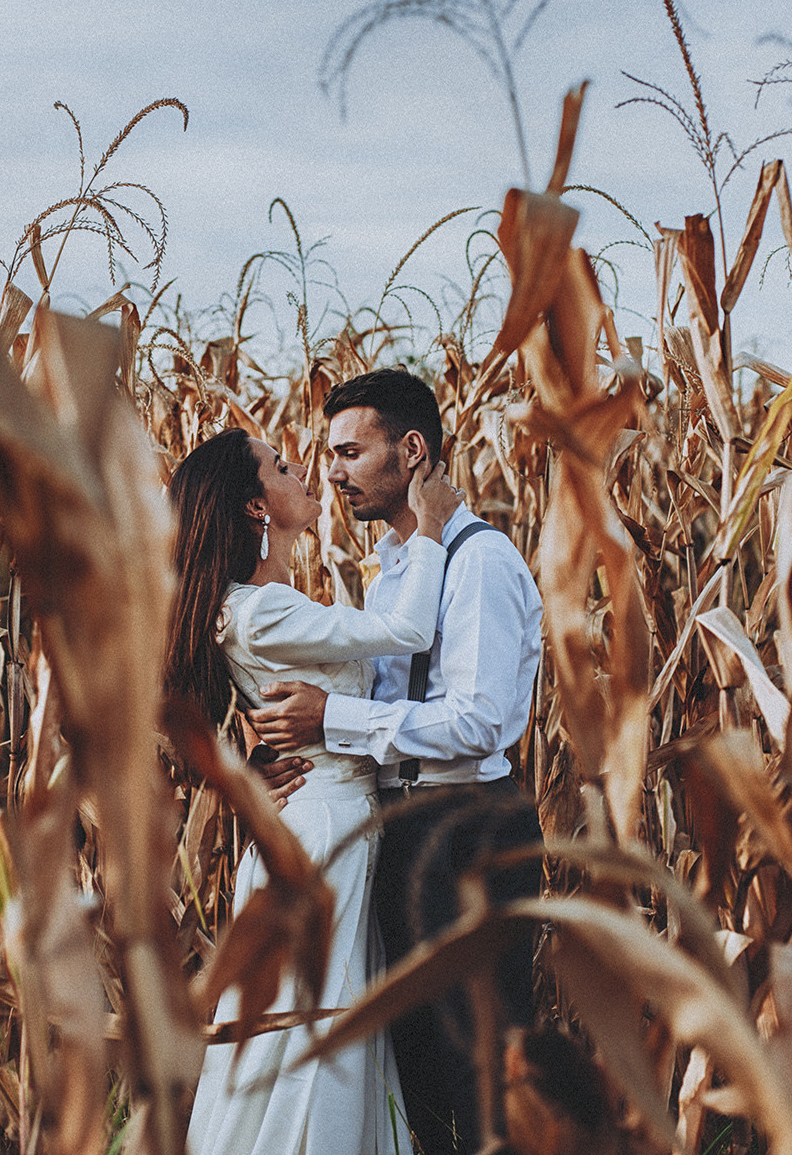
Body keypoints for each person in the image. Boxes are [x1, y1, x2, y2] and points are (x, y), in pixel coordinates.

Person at [251, 369, 546, 1155]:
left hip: (467, 831)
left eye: (350, 452)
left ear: (412, 449)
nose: (333, 473)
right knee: (419, 1074)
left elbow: (479, 721)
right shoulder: (397, 571)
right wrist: (278, 748)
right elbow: (374, 705)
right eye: (329, 455)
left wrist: (331, 716)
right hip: (405, 829)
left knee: (482, 1072)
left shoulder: (478, 561)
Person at [168, 426, 462, 1155]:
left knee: (321, 1025)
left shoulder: (255, 605)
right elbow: (408, 629)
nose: (302, 470)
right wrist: (429, 527)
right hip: (325, 832)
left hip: (325, 824)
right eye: (280, 465)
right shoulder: (260, 610)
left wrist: (244, 762)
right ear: (255, 506)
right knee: (314, 1031)